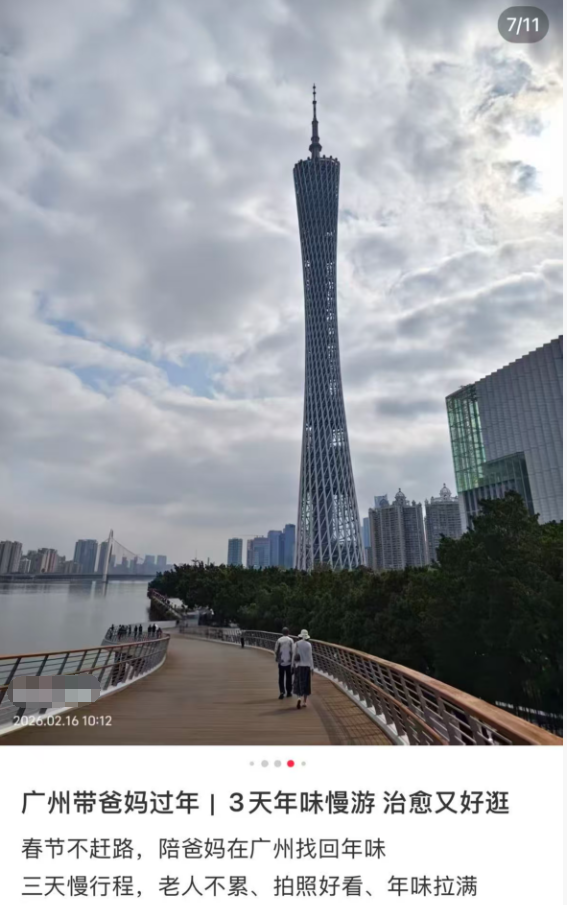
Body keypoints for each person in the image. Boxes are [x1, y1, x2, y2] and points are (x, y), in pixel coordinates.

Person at [293, 629, 314, 709]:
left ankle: (299, 698)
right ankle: (304, 702)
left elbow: (294, 655)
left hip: (299, 666)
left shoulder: (297, 644)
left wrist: (293, 665)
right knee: (306, 684)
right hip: (307, 666)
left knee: (298, 683)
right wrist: (312, 668)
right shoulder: (309, 645)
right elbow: (310, 657)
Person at [274, 628, 294, 700]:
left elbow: (276, 650)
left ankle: (282, 692)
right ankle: (289, 692)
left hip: (281, 662)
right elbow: (293, 651)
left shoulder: (279, 640)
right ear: (288, 632)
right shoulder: (290, 640)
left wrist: (277, 659)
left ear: (282, 632)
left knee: (281, 677)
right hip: (289, 662)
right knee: (289, 677)